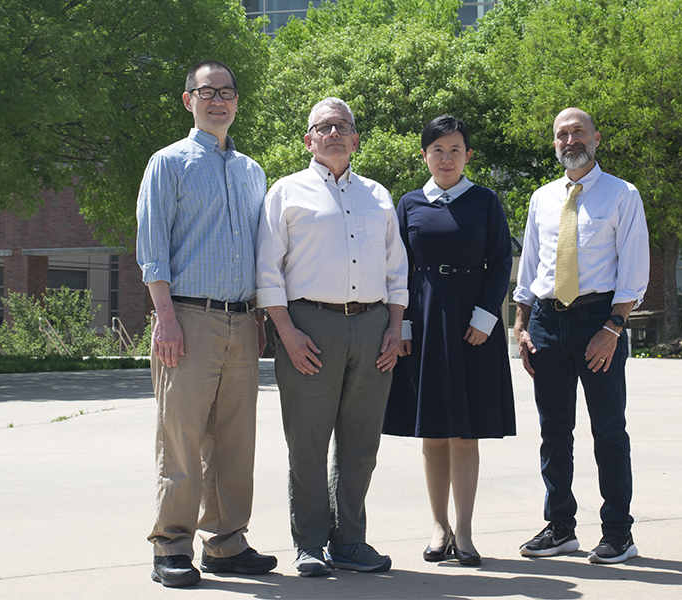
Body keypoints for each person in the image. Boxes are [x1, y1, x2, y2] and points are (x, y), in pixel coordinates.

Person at [135, 60, 276, 587]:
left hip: (243, 322)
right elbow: (152, 249)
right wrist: (165, 318)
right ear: (188, 99)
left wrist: (259, 315)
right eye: (207, 91)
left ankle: (226, 543)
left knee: (235, 440)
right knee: (182, 439)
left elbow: (262, 254)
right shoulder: (168, 163)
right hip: (188, 319)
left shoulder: (252, 172)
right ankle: (171, 545)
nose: (219, 100)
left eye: (228, 92)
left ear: (237, 102)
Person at [256, 97, 408, 577]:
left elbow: (396, 269)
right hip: (309, 327)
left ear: (356, 138)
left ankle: (350, 540)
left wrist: (394, 327)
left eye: (343, 125)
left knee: (361, 442)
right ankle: (309, 544)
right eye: (324, 127)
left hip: (372, 325)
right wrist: (286, 333)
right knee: (308, 440)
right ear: (309, 139)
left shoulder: (378, 195)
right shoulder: (286, 192)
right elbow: (268, 271)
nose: (335, 133)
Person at [513, 107, 649, 564]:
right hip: (547, 323)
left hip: (598, 322)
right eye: (561, 134)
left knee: (608, 430)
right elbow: (530, 267)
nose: (569, 140)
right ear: (554, 143)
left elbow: (634, 271)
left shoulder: (622, 195)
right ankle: (560, 528)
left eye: (577, 132)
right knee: (554, 431)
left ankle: (618, 534)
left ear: (595, 138)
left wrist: (613, 328)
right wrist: (521, 324)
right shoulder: (542, 198)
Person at [383, 116, 515, 567]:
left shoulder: (485, 201)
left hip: (472, 326)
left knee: (465, 433)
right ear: (425, 155)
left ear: (468, 155)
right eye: (437, 149)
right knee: (434, 433)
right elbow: (396, 267)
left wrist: (486, 316)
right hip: (422, 324)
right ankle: (438, 527)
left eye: (455, 149)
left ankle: (466, 530)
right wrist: (400, 326)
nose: (446, 157)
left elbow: (500, 262)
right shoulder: (409, 204)